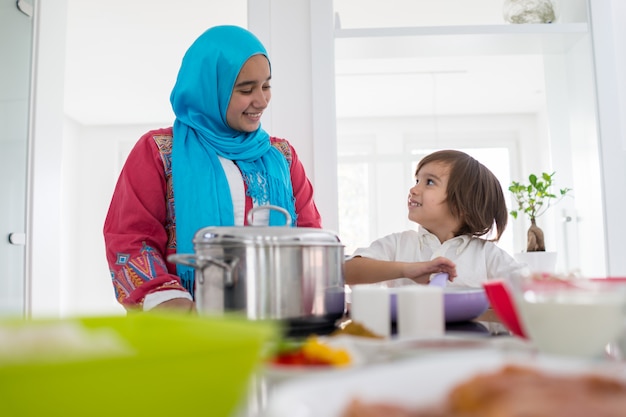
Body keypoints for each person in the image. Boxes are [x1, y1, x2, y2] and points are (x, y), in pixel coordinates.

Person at [103, 25, 322, 313]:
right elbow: (130, 238)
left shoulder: (282, 157)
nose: (262, 100)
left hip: (276, 321)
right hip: (189, 329)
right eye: (246, 89)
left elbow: (309, 236)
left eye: (266, 86)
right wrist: (167, 299)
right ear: (209, 88)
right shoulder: (159, 151)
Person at [344, 149, 528, 288]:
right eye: (417, 181)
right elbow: (347, 272)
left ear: (463, 204)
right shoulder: (398, 244)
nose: (413, 189)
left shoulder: (487, 255)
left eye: (429, 182)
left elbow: (527, 286)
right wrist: (406, 270)